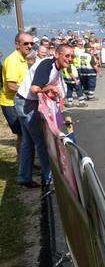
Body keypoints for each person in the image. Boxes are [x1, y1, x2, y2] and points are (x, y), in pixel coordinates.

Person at [14, 44, 74, 189]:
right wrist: (49, 88)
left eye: (72, 56)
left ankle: (24, 176)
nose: (70, 59)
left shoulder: (57, 69)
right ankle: (49, 179)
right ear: (57, 55)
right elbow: (35, 89)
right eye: (67, 56)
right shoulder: (47, 65)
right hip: (26, 103)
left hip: (24, 101)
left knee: (28, 142)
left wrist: (51, 92)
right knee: (41, 142)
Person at [1, 32, 33, 157]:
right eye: (26, 43)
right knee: (23, 134)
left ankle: (24, 163)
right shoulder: (13, 60)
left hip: (19, 102)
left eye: (31, 43)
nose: (30, 46)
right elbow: (11, 85)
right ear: (17, 45)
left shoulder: (23, 59)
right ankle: (23, 165)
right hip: (11, 103)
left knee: (24, 134)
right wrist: (31, 92)